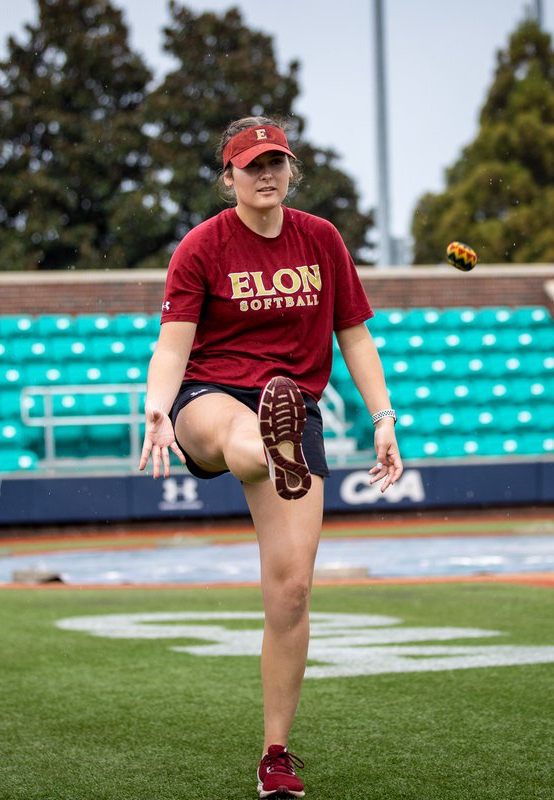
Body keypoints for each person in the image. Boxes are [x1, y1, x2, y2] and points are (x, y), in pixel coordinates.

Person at [139, 116, 403, 799]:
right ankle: (269, 443)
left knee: (291, 592)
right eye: (251, 164)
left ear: (291, 170)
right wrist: (158, 406)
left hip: (296, 405)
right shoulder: (202, 247)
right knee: (237, 433)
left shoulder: (321, 240)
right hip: (210, 395)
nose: (265, 173)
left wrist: (382, 417)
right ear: (228, 177)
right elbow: (174, 343)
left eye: (276, 161)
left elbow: (356, 336)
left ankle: (276, 755)